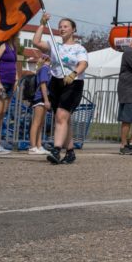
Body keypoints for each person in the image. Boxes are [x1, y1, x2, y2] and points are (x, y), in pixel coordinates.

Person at [31, 13, 88, 164]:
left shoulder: (79, 48)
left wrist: (74, 73)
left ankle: (56, 150)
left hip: (73, 83)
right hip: (56, 83)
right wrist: (42, 24)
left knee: (61, 117)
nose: (62, 29)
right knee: (64, 120)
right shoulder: (54, 46)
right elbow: (36, 42)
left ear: (73, 30)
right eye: (60, 26)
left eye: (65, 26)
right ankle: (70, 152)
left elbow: (83, 64)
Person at [27, 56, 52, 154]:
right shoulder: (45, 69)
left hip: (43, 98)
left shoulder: (46, 69)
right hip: (40, 97)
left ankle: (39, 145)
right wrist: (46, 100)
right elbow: (43, 84)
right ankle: (33, 146)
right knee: (36, 123)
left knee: (40, 124)